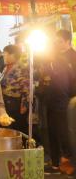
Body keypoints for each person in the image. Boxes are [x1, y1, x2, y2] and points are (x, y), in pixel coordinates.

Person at [40, 44, 74, 176]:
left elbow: (57, 88)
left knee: (59, 136)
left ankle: (64, 165)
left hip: (58, 106)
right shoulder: (60, 63)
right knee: (57, 135)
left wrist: (41, 92)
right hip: (59, 104)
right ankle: (57, 164)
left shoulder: (56, 65)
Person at [0, 45, 28, 133]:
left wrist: (24, 105)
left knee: (16, 128)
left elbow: (26, 88)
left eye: (5, 54)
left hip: (16, 103)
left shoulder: (21, 68)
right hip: (5, 101)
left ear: (12, 55)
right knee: (7, 127)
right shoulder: (6, 67)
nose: (3, 56)